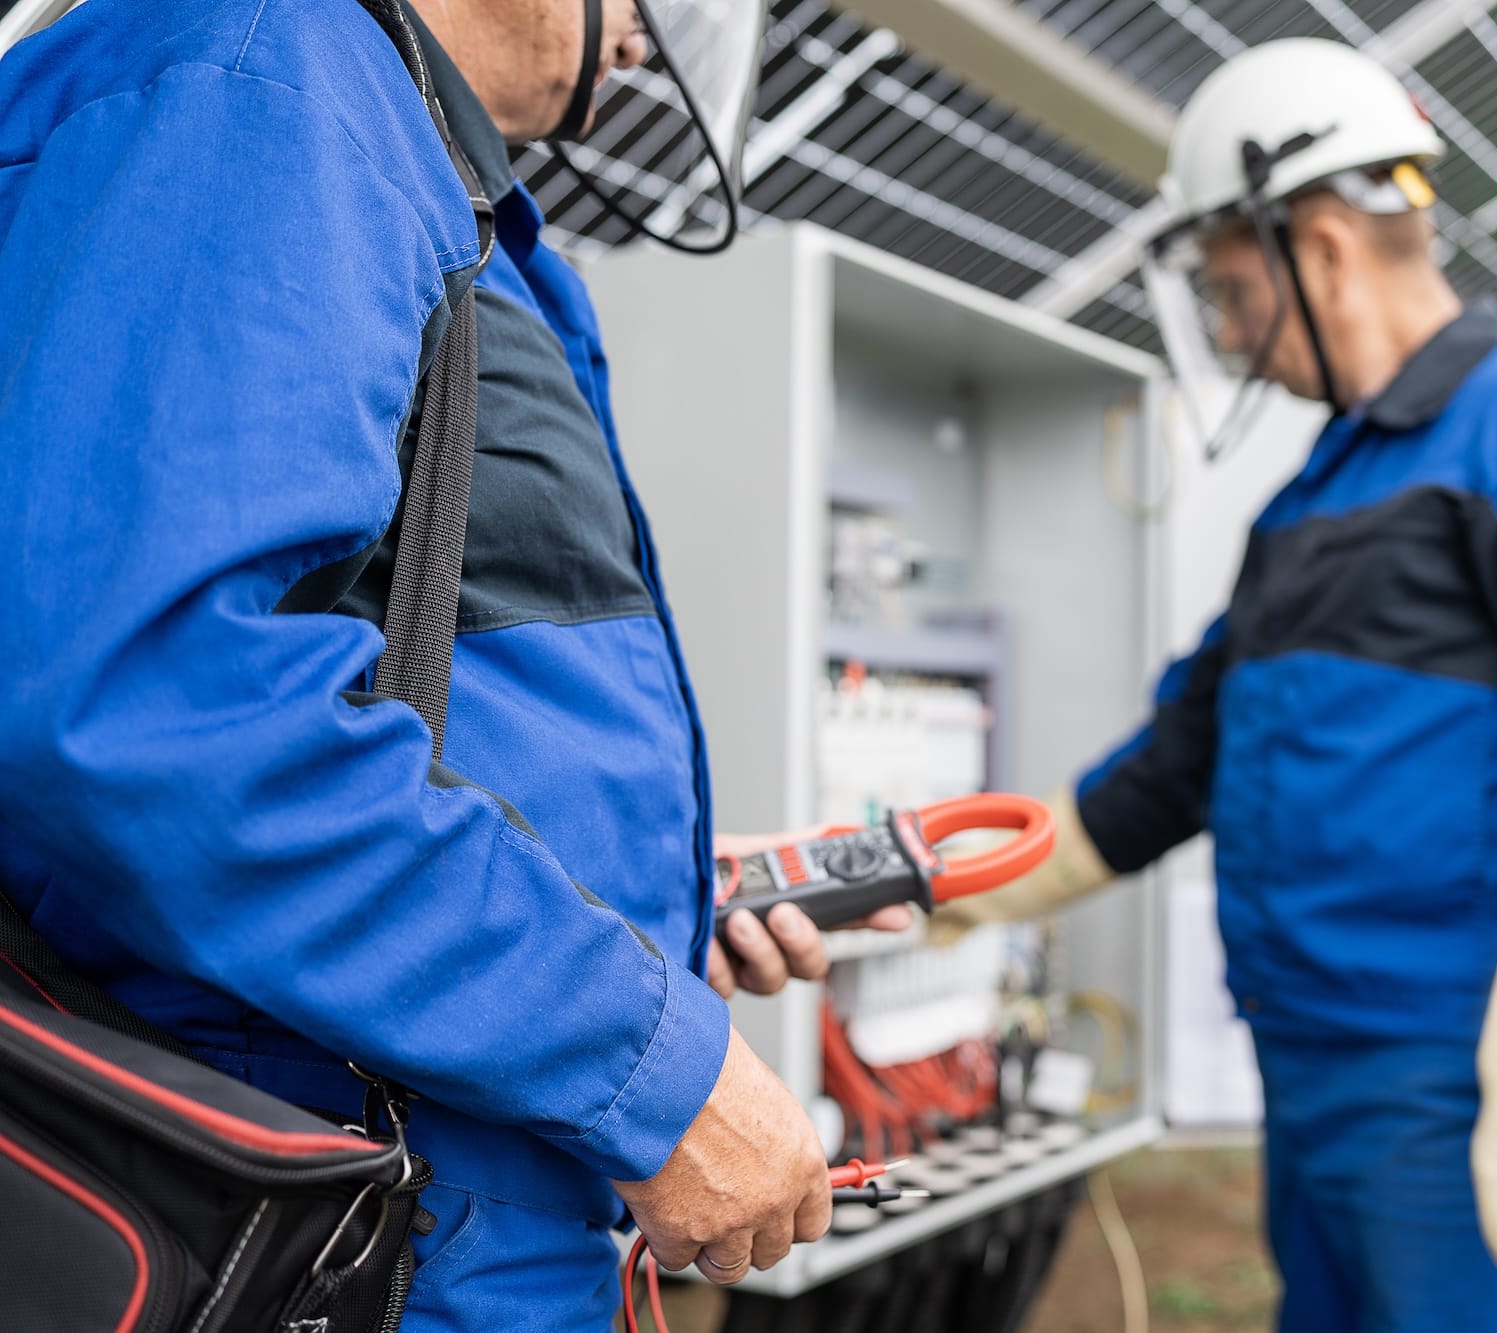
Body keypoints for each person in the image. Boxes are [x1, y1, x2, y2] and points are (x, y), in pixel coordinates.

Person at [0, 0, 902, 1326]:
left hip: (414, 1213)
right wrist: (652, 1065)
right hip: (332, 1230)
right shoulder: (266, 68)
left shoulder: (381, 136)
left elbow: (392, 674)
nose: (663, 30)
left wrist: (643, 899)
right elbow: (156, 709)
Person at [932, 38, 1497, 1333]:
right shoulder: (1313, 496)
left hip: (1465, 1068)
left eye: (1234, 292)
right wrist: (955, 893)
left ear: (1322, 246)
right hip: (1314, 1060)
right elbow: (1189, 749)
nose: (1235, 339)